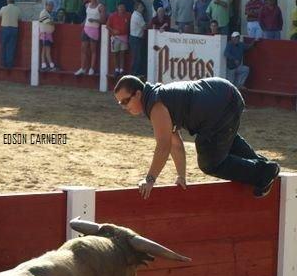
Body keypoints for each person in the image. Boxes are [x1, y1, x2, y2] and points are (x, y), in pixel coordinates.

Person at [113, 75, 280, 199]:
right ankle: (263, 167)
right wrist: (181, 176)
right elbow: (175, 144)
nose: (123, 107)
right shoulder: (157, 97)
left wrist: (150, 179)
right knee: (221, 142)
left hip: (221, 105)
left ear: (137, 94)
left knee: (210, 162)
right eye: (120, 103)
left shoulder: (156, 106)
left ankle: (264, 171)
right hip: (223, 96)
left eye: (125, 101)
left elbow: (163, 146)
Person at [75, 0, 103, 76]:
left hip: (94, 29)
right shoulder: (87, 5)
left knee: (93, 50)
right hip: (86, 28)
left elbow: (103, 20)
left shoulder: (100, 7)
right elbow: (87, 17)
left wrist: (94, 20)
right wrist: (83, 23)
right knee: (83, 49)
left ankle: (92, 68)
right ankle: (83, 68)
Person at [106, 1, 130, 75]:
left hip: (124, 37)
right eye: (120, 7)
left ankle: (121, 69)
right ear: (117, 7)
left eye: (123, 7)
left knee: (122, 53)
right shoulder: (113, 16)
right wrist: (113, 30)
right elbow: (107, 26)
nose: (122, 8)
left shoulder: (128, 15)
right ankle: (116, 69)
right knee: (116, 53)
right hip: (115, 37)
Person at [0, 0, 20, 69]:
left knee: (3, 46)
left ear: (7, 1)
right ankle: (9, 63)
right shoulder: (17, 9)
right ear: (14, 1)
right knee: (11, 47)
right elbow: (19, 19)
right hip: (14, 29)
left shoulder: (3, 8)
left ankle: (3, 63)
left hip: (5, 28)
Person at [129, 1, 146, 77]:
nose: (142, 8)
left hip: (135, 38)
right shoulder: (137, 16)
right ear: (136, 8)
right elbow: (144, 27)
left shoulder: (137, 15)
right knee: (137, 57)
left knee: (137, 57)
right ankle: (134, 74)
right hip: (136, 38)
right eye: (140, 7)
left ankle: (135, 73)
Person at [38, 0, 55, 71]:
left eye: (52, 6)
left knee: (44, 50)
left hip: (46, 34)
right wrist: (53, 22)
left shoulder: (47, 13)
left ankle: (44, 65)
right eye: (50, 6)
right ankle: (51, 65)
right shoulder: (43, 13)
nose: (51, 7)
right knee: (46, 50)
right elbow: (49, 22)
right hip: (45, 34)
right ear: (46, 6)